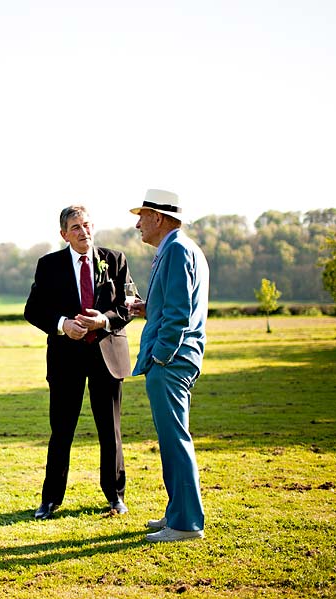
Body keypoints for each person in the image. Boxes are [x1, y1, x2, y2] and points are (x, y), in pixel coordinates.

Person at [24, 205, 134, 519]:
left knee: (109, 430)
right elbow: (33, 310)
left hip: (108, 357)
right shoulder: (49, 265)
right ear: (64, 234)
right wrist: (62, 325)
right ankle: (50, 500)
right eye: (75, 227)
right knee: (61, 430)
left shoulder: (115, 260)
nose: (83, 231)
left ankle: (115, 497)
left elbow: (129, 306)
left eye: (86, 225)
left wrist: (105, 320)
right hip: (65, 359)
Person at [128, 189, 209, 542]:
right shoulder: (182, 248)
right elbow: (175, 303)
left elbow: (179, 314)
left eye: (142, 216)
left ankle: (186, 523)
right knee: (171, 438)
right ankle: (176, 513)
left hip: (171, 362)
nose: (137, 224)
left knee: (175, 440)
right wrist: (148, 309)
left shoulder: (176, 249)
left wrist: (161, 357)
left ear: (158, 218)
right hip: (176, 358)